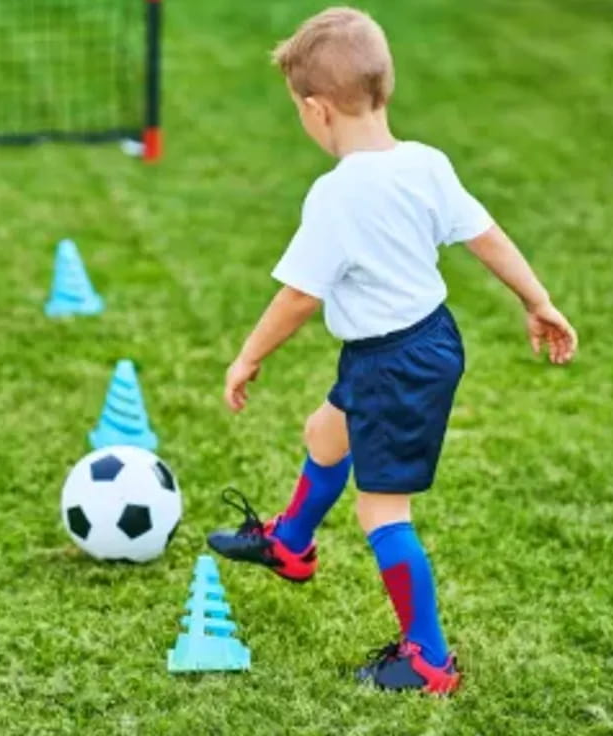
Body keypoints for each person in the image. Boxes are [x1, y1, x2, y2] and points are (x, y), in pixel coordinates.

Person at [207, 6, 578, 694]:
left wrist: (248, 357)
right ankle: (290, 544)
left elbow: (298, 297)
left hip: (392, 361)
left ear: (317, 111)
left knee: (382, 510)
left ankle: (428, 658)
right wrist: (537, 298)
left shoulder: (336, 195)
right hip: (426, 340)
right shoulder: (425, 164)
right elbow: (486, 234)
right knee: (325, 431)